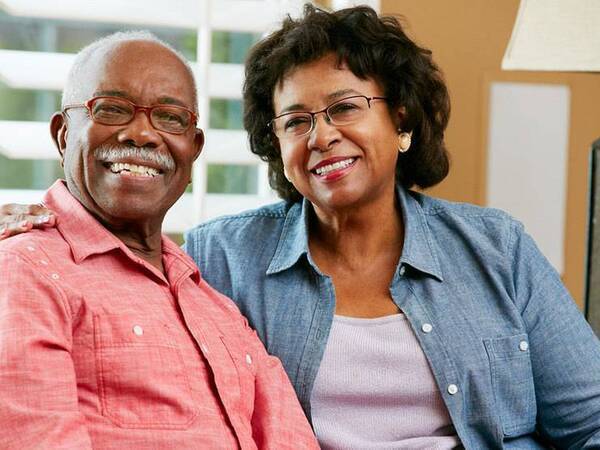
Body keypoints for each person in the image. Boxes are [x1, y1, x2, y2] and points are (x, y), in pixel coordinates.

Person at [2, 5, 600, 449]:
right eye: (295, 121)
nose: (321, 136)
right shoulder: (222, 257)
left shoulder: (497, 248)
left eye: (344, 108)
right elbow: (112, 252)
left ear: (402, 121)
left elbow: (589, 422)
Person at [0, 31, 318, 450]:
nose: (142, 135)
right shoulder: (24, 271)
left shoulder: (215, 304)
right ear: (63, 135)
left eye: (169, 117)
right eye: (111, 109)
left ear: (194, 148)